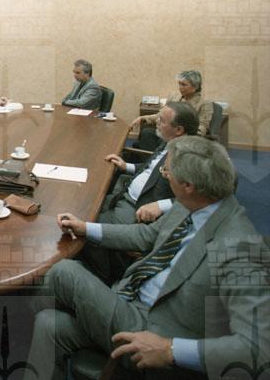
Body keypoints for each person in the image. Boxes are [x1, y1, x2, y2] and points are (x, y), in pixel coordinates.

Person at [24, 136, 268, 380]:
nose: (164, 176)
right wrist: (85, 228)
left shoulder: (240, 247)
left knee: (65, 271)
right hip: (129, 301)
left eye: (166, 171)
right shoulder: (191, 204)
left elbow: (259, 349)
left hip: (155, 335)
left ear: (188, 185)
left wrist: (170, 350)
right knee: (48, 324)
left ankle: (19, 320)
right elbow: (144, 235)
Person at [79, 102, 199, 285]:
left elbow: (200, 197)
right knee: (85, 203)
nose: (157, 122)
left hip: (138, 209)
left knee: (87, 225)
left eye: (162, 120)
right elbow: (151, 169)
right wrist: (126, 166)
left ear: (179, 130)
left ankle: (103, 277)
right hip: (125, 194)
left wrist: (161, 205)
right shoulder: (169, 142)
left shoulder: (188, 155)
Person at [132, 70, 213, 150]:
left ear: (195, 87)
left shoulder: (204, 104)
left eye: (184, 85)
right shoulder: (174, 97)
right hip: (167, 132)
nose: (180, 87)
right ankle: (153, 156)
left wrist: (182, 137)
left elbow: (202, 128)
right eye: (179, 84)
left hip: (183, 137)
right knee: (146, 132)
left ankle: (157, 155)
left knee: (160, 142)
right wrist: (143, 118)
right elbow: (161, 115)